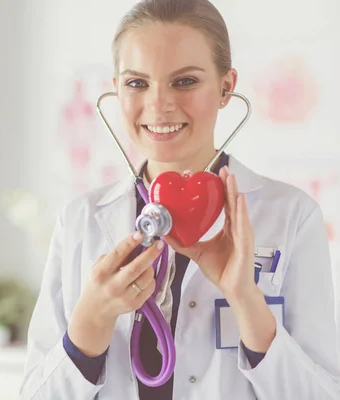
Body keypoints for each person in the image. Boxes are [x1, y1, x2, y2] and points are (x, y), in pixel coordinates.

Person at [19, 0, 340, 399]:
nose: (159, 104)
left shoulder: (290, 215)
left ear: (226, 87)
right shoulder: (80, 218)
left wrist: (246, 299)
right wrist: (89, 324)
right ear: (116, 88)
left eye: (185, 81)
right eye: (137, 83)